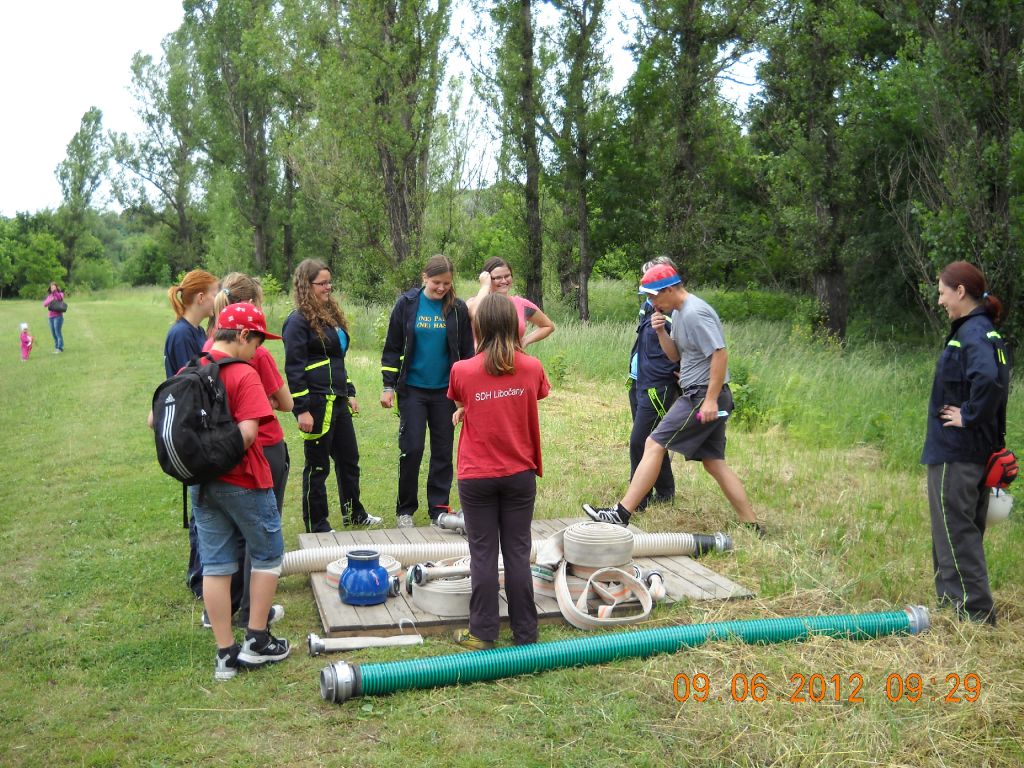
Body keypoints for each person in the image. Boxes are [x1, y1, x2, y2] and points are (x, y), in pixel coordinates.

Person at [152, 302, 290, 681]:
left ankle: (225, 654)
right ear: (243, 335)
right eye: (258, 340)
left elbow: (154, 418)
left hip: (201, 486)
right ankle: (257, 641)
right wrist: (224, 455)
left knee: (216, 564)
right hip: (244, 480)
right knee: (267, 555)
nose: (259, 349)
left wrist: (203, 456)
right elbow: (249, 434)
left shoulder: (190, 368)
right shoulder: (243, 374)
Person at [583, 264, 763, 536]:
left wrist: (711, 400)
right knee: (714, 463)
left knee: (653, 444)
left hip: (701, 396)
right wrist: (660, 333)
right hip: (701, 393)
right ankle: (752, 525)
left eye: (654, 296)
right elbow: (676, 356)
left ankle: (620, 514)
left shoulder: (695, 313)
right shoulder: (678, 314)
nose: (652, 302)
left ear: (669, 289)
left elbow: (720, 354)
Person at [448, 293, 550, 649]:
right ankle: (526, 634)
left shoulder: (461, 370)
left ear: (478, 327)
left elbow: (467, 396)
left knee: (483, 553)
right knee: (518, 552)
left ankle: (483, 632)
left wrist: (467, 409)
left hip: (476, 476)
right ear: (514, 325)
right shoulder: (532, 368)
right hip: (519, 473)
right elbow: (534, 394)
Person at [921, 261, 1010, 627]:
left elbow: (988, 381)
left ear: (960, 291)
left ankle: (971, 614)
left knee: (955, 532)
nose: (940, 300)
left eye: (942, 292)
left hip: (956, 454)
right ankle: (955, 605)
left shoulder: (971, 333)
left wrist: (968, 415)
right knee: (965, 532)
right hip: (975, 452)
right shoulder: (985, 331)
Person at [203, 273, 293, 629]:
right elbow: (269, 414)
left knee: (220, 553)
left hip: (209, 471)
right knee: (263, 543)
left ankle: (219, 620)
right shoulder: (249, 365)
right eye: (256, 338)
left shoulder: (204, 355)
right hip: (258, 457)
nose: (258, 345)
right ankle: (254, 623)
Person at [283, 259, 380, 532]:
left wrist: (348, 391)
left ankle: (354, 514)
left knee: (349, 460)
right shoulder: (296, 322)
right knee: (318, 466)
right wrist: (301, 409)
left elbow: (336, 360)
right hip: (315, 402)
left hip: (337, 399)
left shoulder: (329, 315)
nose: (328, 287)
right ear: (306, 285)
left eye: (329, 282)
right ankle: (317, 524)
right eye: (322, 283)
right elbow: (294, 369)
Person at [381, 254, 475, 527]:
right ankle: (405, 510)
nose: (442, 288)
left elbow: (467, 353)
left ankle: (438, 510)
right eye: (436, 282)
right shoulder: (407, 305)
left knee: (443, 451)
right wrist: (388, 386)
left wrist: (465, 395)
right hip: (413, 390)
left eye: (446, 283)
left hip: (446, 393)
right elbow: (392, 348)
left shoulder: (457, 309)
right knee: (411, 448)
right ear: (424, 278)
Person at [163, 268, 220, 600]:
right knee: (203, 507)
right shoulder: (183, 335)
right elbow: (193, 383)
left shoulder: (194, 331)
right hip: (193, 430)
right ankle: (200, 578)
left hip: (199, 426)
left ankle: (202, 572)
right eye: (214, 293)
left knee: (206, 504)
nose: (216, 298)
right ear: (201, 298)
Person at [628, 257, 680, 509]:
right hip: (639, 380)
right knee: (654, 440)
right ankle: (665, 491)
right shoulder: (648, 307)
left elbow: (685, 350)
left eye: (652, 283)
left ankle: (637, 499)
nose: (648, 290)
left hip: (658, 385)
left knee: (640, 441)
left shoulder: (676, 313)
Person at [466, 257, 555, 348]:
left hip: (513, 359)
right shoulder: (474, 302)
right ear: (488, 279)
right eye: (498, 277)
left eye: (507, 276)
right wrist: (484, 286)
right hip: (481, 360)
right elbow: (475, 313)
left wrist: (525, 341)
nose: (504, 281)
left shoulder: (521, 304)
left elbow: (548, 326)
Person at [42, 282, 66, 353]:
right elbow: (45, 304)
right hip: (50, 317)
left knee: (57, 332)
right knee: (53, 333)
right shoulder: (49, 296)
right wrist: (51, 299)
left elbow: (59, 298)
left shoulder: (60, 294)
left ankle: (60, 348)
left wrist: (55, 292)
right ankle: (56, 347)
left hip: (58, 317)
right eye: (51, 287)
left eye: (54, 287)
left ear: (56, 287)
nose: (52, 288)